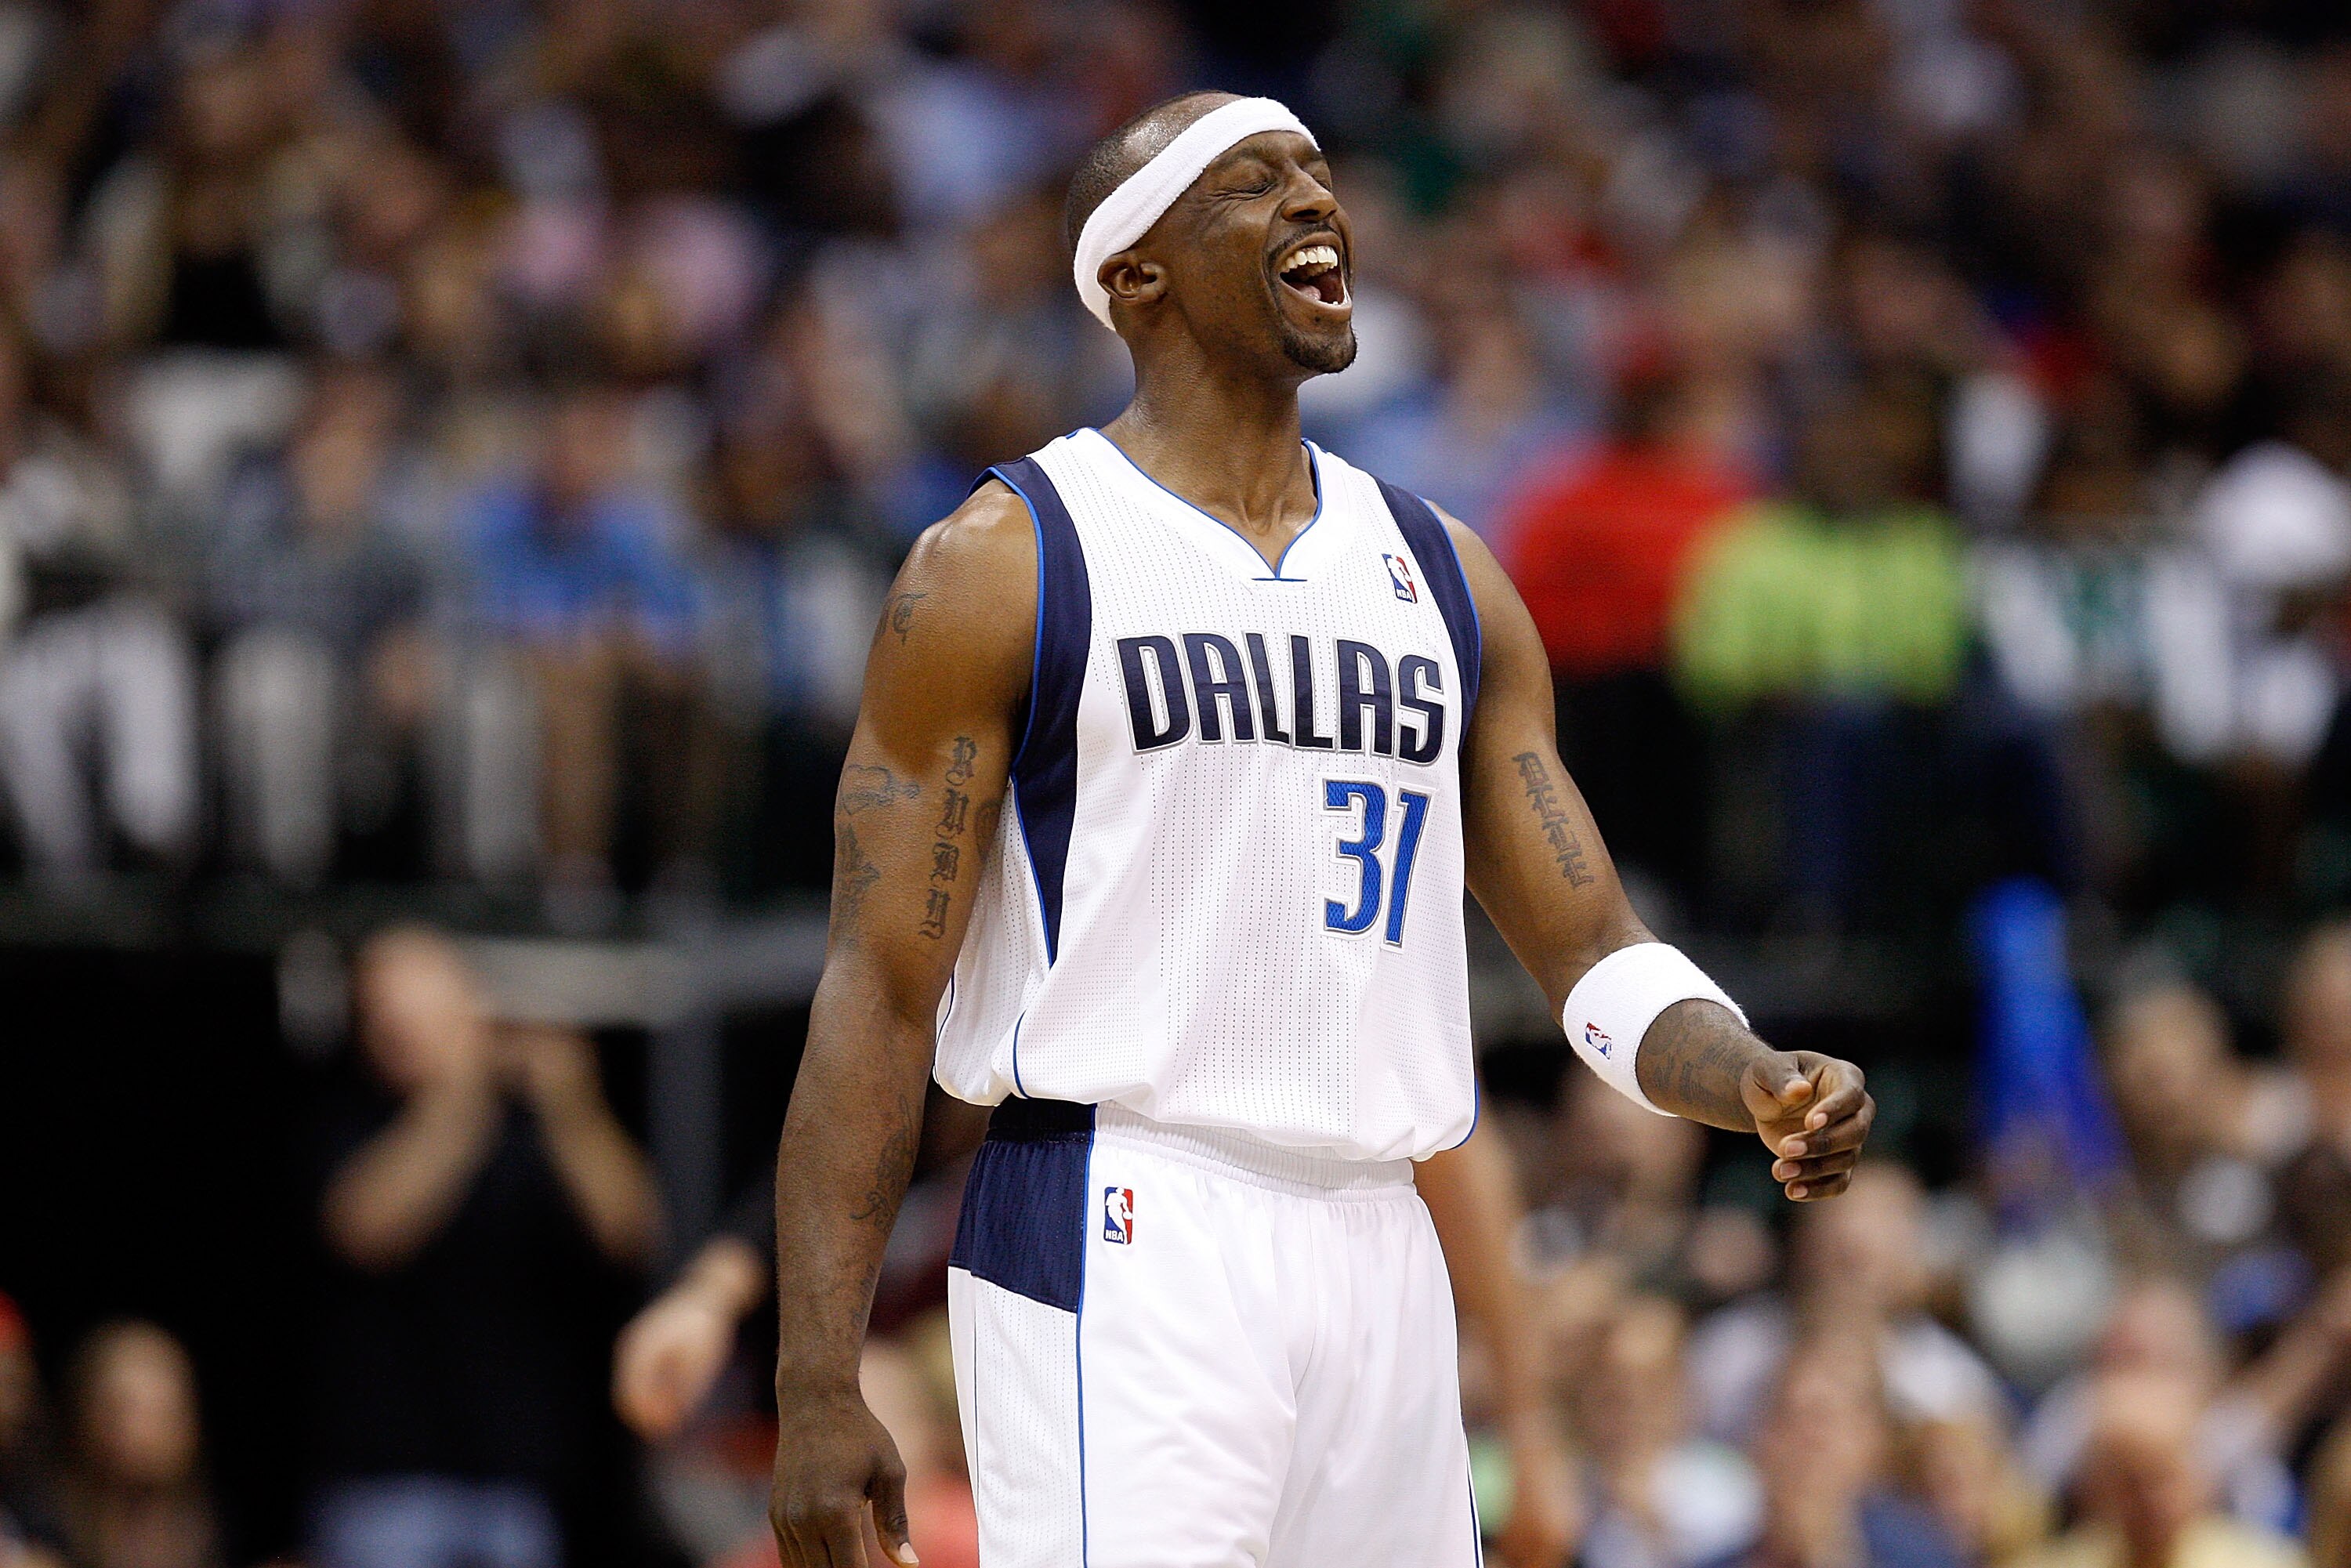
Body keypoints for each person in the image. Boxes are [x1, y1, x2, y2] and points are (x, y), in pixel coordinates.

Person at [764, 91, 1874, 1568]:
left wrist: (1749, 1072)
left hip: (1381, 1235)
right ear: (1137, 274)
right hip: (1124, 1205)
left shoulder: (1444, 571)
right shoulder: (1008, 559)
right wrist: (815, 1378)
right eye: (1254, 183)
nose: (1316, 203)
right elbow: (880, 984)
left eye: (1321, 176)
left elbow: (1593, 946)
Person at [310, 925, 661, 1568]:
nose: (394, 1024)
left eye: (413, 1007)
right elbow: (366, 1230)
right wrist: (465, 1087)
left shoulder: (532, 1129)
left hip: (517, 1483)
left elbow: (630, 1232)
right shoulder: (349, 1115)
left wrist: (572, 1104)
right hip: (384, 1482)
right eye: (378, 1009)